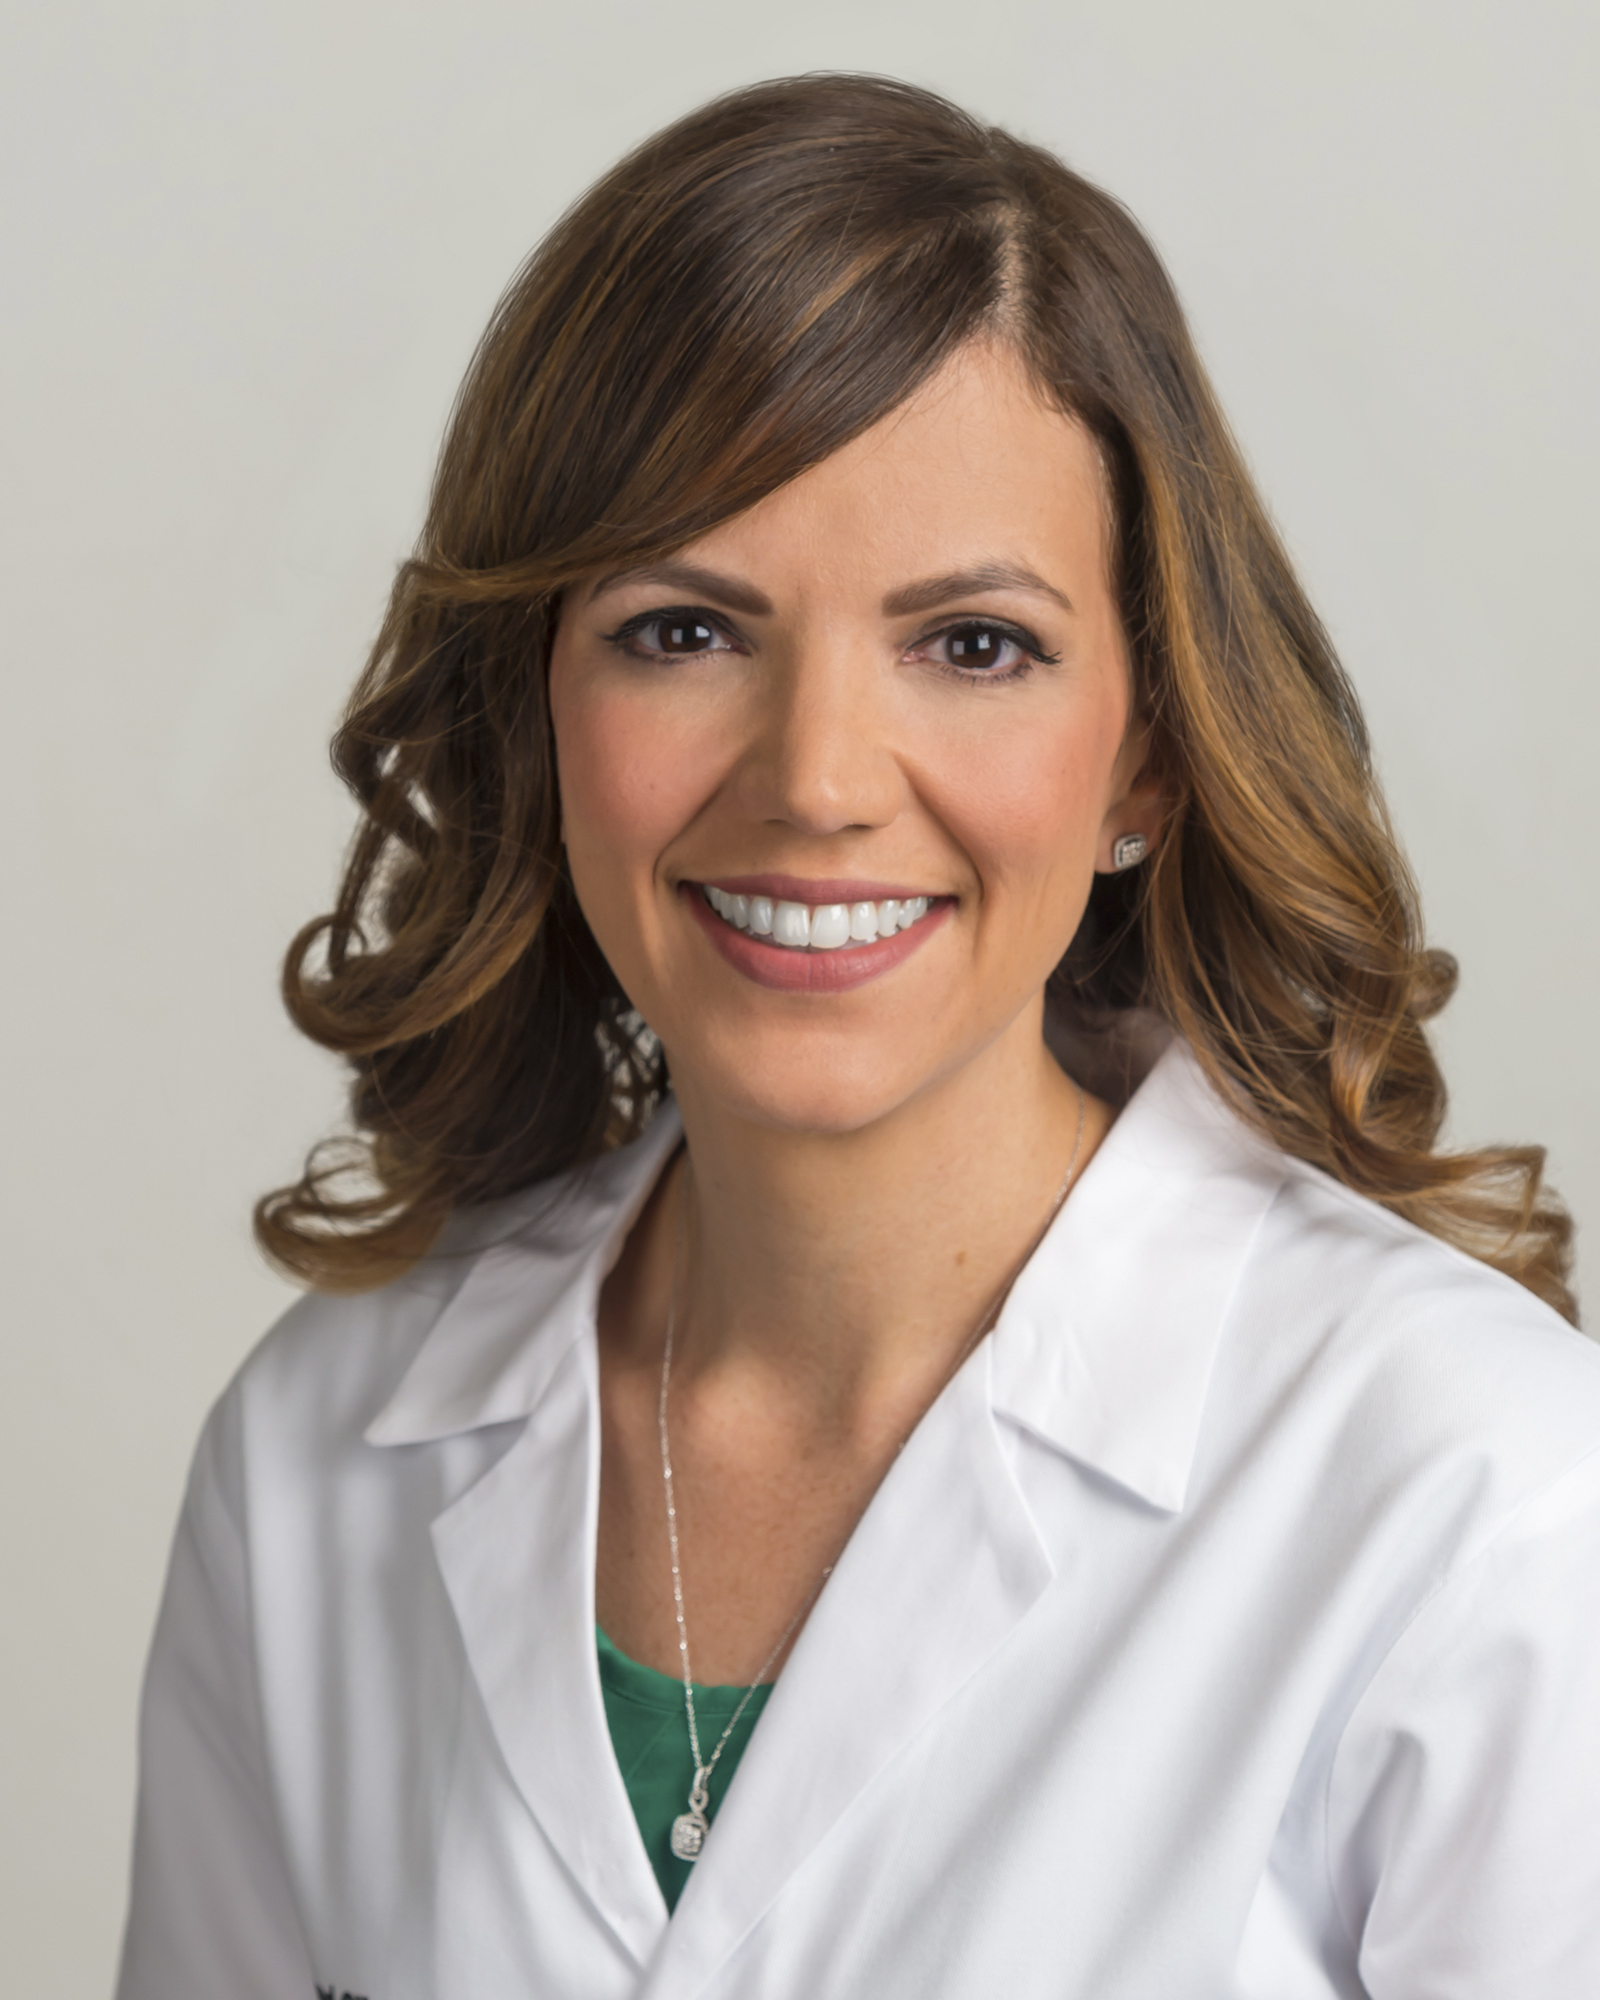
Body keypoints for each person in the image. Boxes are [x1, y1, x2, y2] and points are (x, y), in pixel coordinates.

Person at [116, 73, 1599, 2000]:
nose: (817, 780)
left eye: (974, 645)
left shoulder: (1479, 1494)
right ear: (538, 705)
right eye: (684, 630)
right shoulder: (314, 1460)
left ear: (1147, 753)